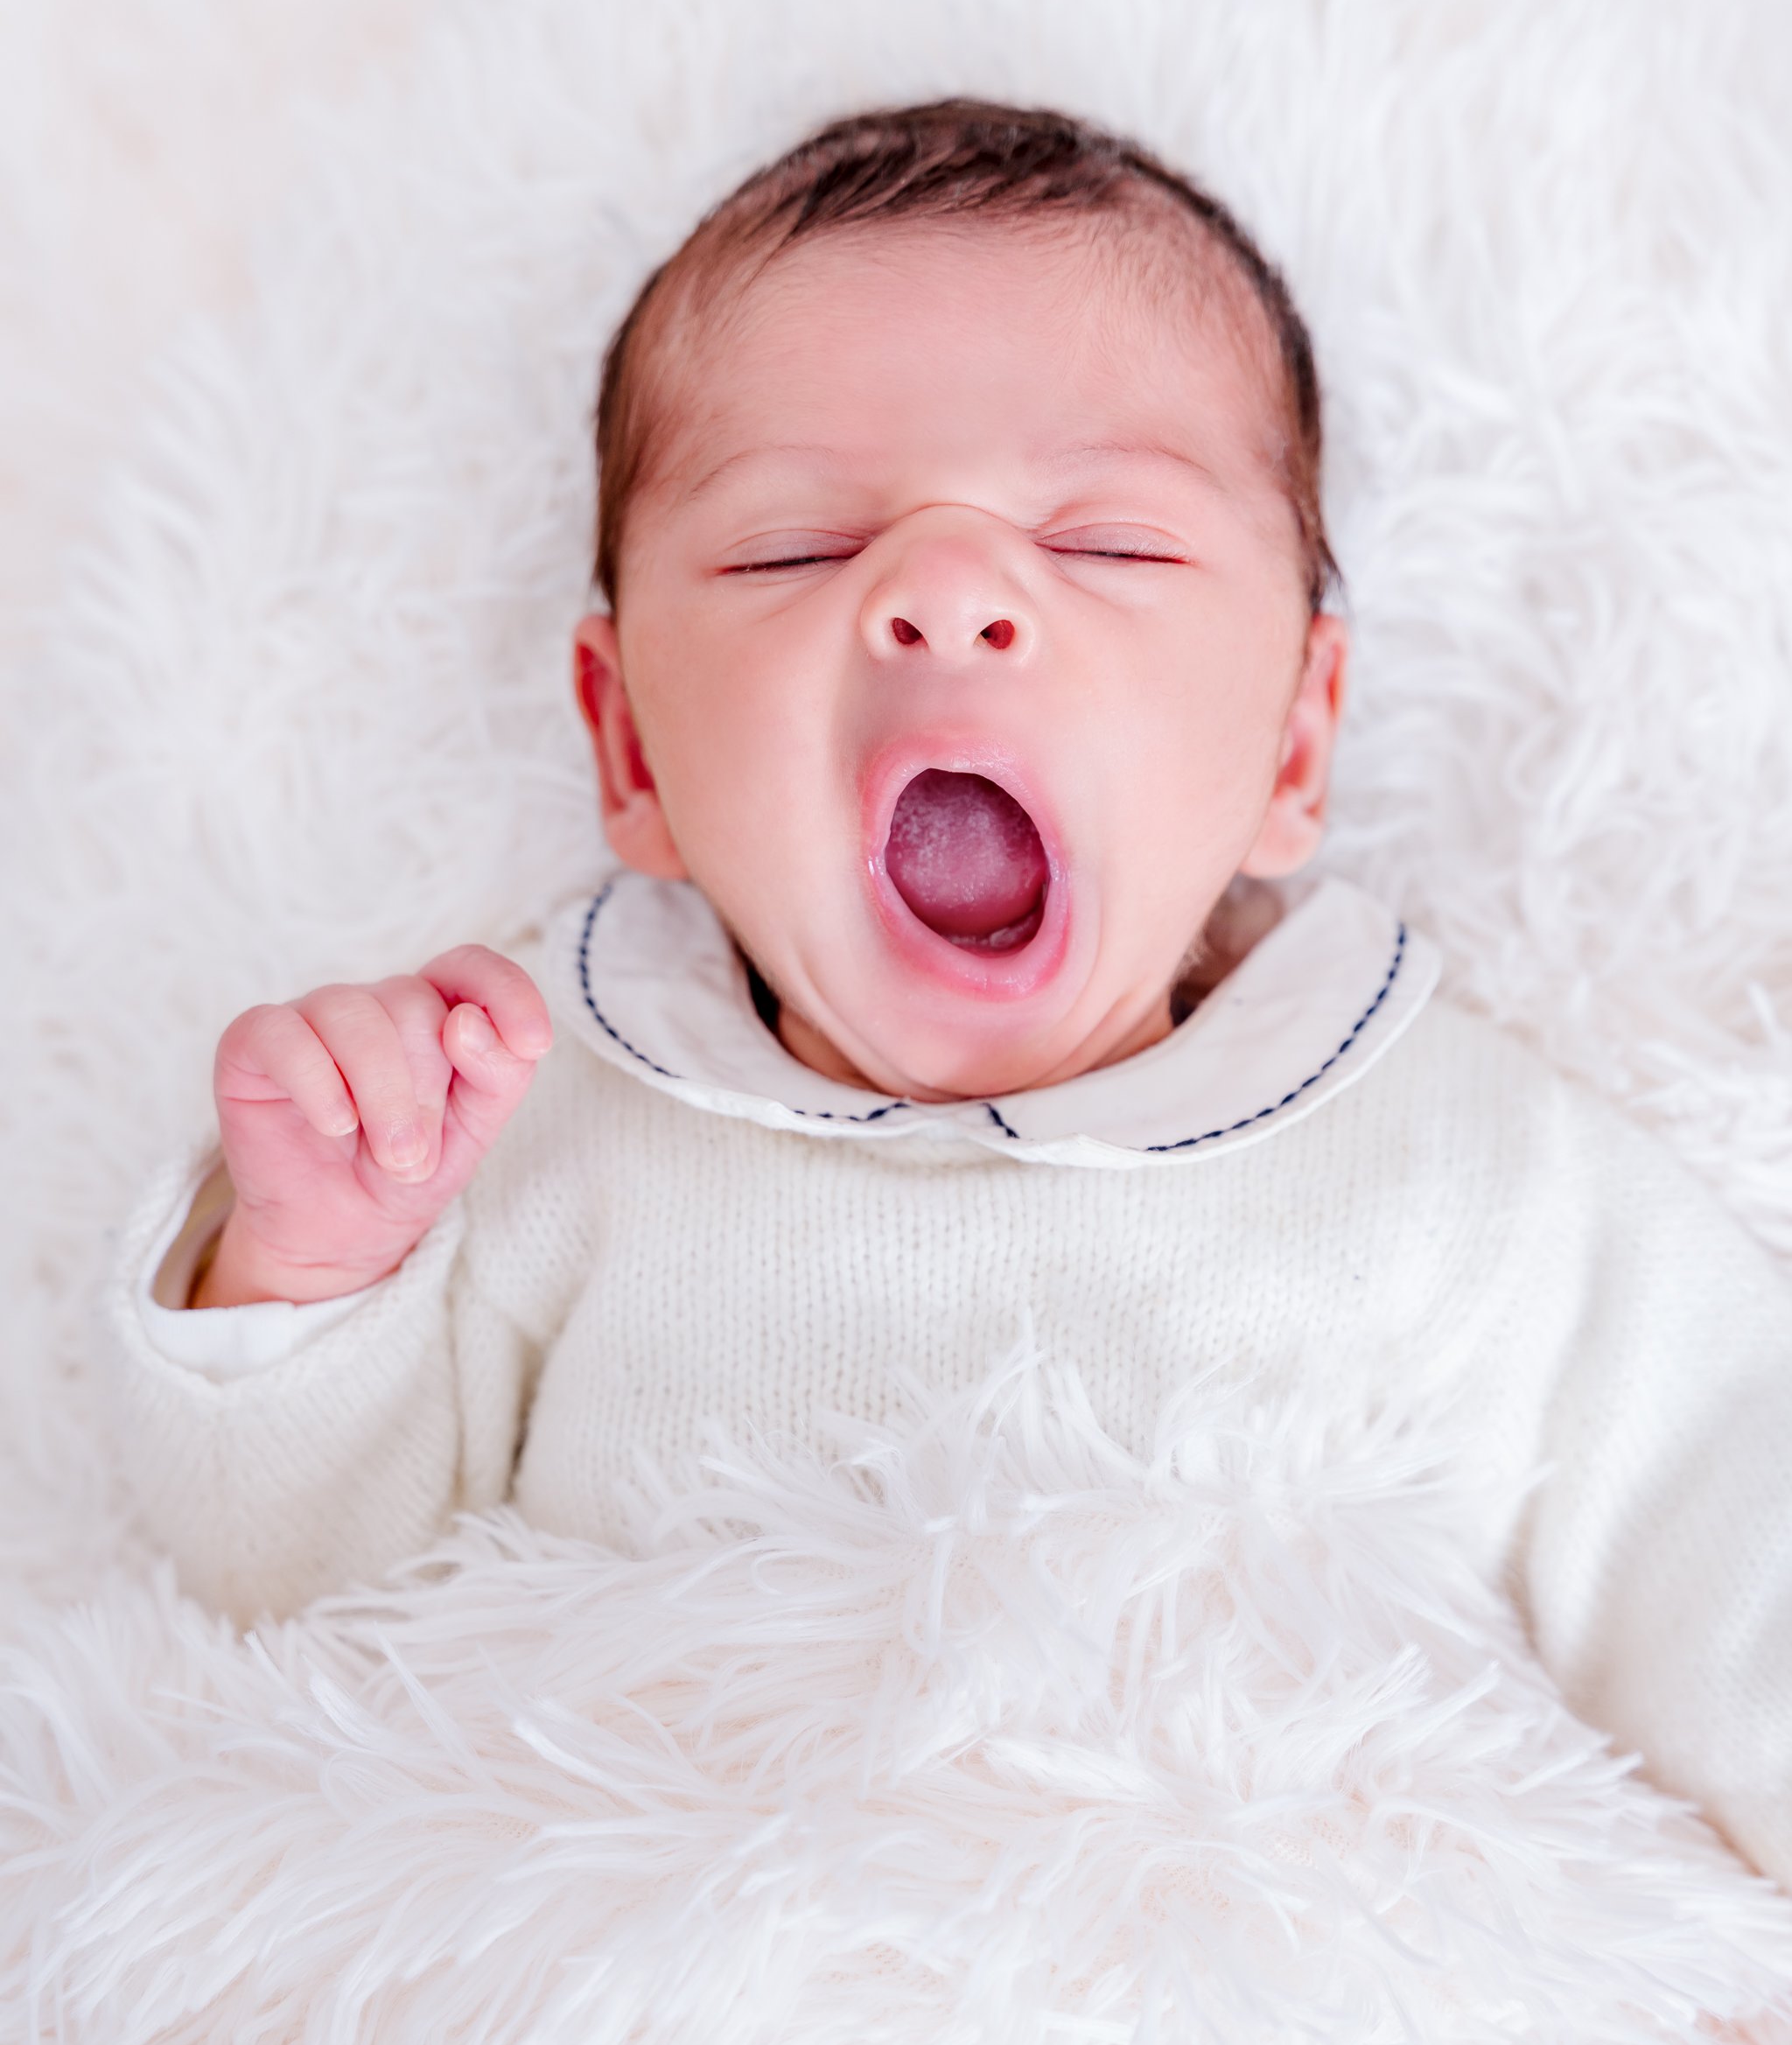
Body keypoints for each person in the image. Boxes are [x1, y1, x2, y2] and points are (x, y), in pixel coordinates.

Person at [105, 99, 1792, 1886]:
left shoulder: (1463, 1162)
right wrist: (312, 1266)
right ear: (632, 753)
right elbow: (288, 1606)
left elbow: (1730, 1532)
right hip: (669, 2019)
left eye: (1109, 544)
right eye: (795, 548)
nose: (946, 592)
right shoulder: (545, 1105)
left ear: (1296, 740)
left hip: (1272, 2032)